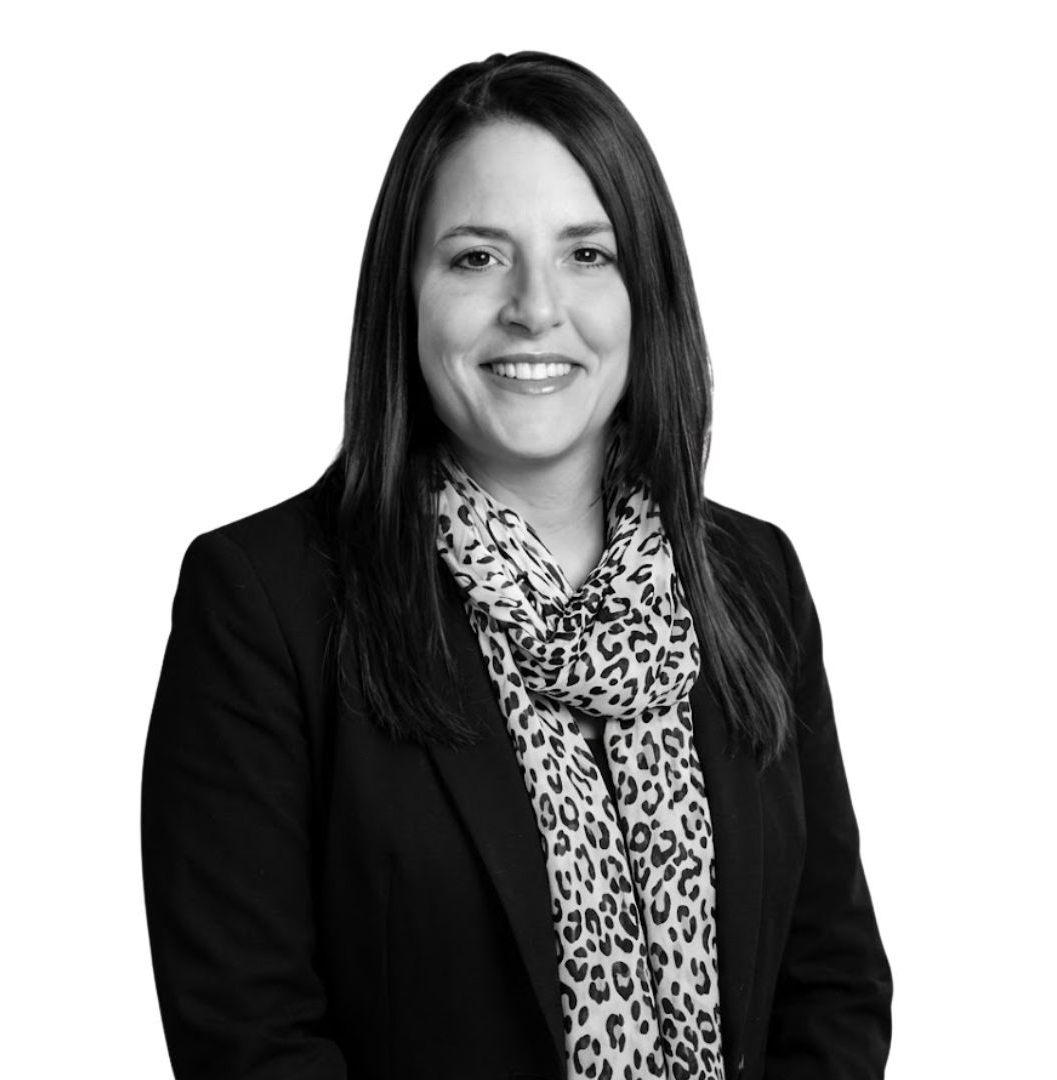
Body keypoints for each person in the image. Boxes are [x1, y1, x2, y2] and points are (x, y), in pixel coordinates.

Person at [141, 51, 892, 1080]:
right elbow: (250, 1039)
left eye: (589, 255)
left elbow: (833, 985)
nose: (536, 307)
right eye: (476, 257)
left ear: (648, 292)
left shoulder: (753, 581)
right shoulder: (264, 603)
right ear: (404, 294)